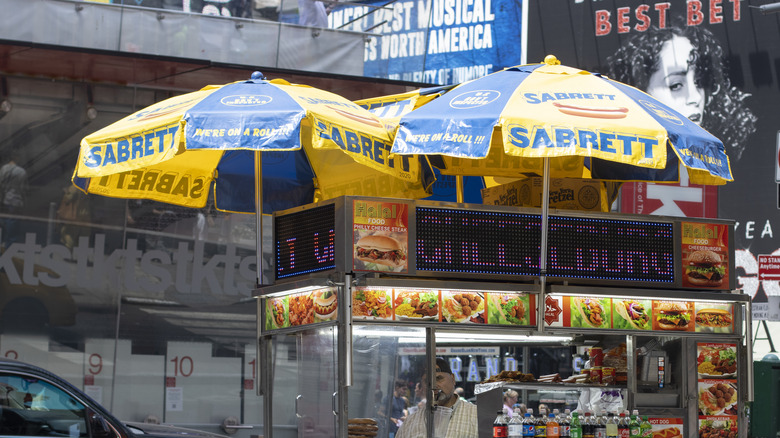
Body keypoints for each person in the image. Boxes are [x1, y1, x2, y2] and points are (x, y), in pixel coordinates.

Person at [607, 23, 756, 162]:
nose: (695, 97)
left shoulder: (723, 157)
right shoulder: (618, 156)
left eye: (699, 82)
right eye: (676, 85)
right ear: (639, 91)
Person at [396, 358, 478, 438]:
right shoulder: (410, 423)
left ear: (453, 379)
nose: (434, 385)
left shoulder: (476, 416)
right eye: (427, 381)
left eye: (439, 378)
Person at [0, 152, 28, 248]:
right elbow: (22, 188)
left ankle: (2, 242)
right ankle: (9, 246)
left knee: (4, 221)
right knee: (13, 223)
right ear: (17, 157)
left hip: (4, 199)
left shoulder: (3, 169)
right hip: (15, 200)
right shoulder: (21, 171)